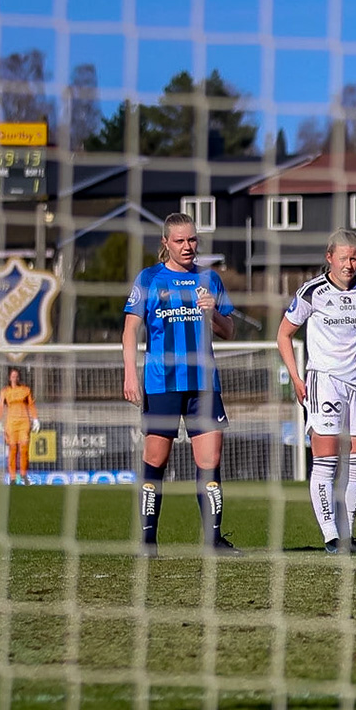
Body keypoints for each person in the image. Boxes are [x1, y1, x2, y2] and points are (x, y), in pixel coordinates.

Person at [122, 213, 241, 556]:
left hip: (204, 384)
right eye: (180, 241)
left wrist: (213, 314)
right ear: (165, 243)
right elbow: (130, 329)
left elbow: (229, 330)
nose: (187, 247)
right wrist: (131, 373)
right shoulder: (149, 279)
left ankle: (213, 541)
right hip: (162, 384)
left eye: (192, 240)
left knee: (210, 461)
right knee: (155, 461)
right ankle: (147, 541)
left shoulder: (209, 279)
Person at [278, 230, 356, 555]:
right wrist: (297, 377)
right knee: (326, 460)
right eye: (343, 258)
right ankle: (331, 537)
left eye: (354, 258)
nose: (349, 264)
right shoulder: (312, 292)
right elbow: (283, 334)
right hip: (324, 381)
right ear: (329, 258)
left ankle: (348, 535)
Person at [0, 366, 37, 485]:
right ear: (9, 377)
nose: (14, 378)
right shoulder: (5, 392)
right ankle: (12, 478)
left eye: (16, 376)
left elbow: (31, 405)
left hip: (24, 422)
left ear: (19, 377)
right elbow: (0, 406)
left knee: (24, 449)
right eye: (13, 376)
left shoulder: (25, 390)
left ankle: (23, 475)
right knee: (13, 449)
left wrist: (36, 419)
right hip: (11, 423)